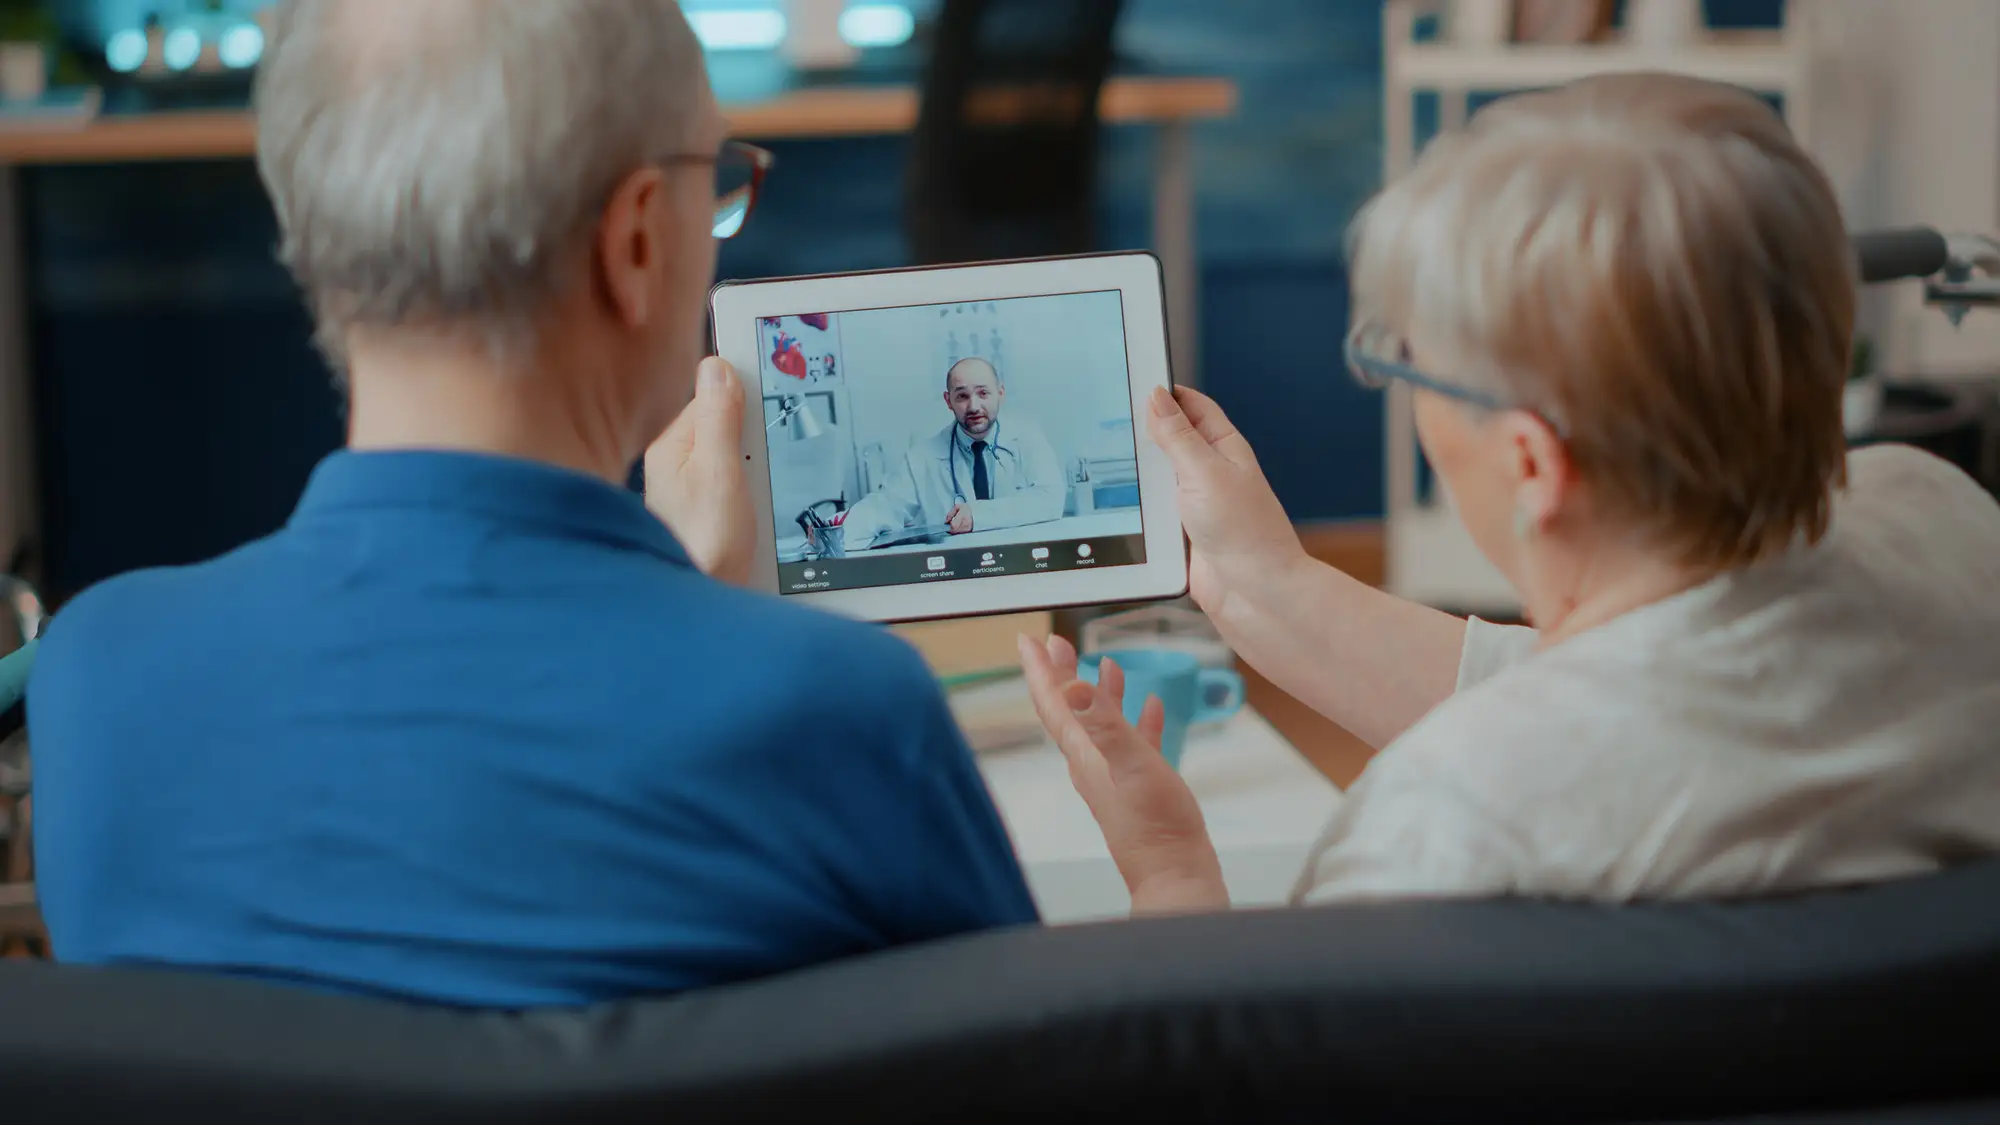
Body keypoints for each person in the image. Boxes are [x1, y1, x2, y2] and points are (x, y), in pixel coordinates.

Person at [26, 0, 1035, 1008]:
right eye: (716, 180)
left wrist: (679, 599)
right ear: (637, 240)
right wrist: (1168, 871)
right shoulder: (845, 712)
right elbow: (1041, 1075)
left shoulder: (95, 683)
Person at [1018, 71, 2000, 915]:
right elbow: (1640, 678)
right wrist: (1261, 583)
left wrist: (1166, 866)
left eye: (1407, 359)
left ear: (1530, 462)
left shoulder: (1440, 827)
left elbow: (1233, 1079)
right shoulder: (1944, 520)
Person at [841, 356, 1064, 545]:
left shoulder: (1028, 439)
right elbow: (884, 507)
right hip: (957, 571)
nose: (974, 406)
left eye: (983, 394)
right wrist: (833, 530)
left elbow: (1051, 500)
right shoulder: (922, 457)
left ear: (1000, 393)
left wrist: (978, 515)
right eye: (962, 396)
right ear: (949, 401)